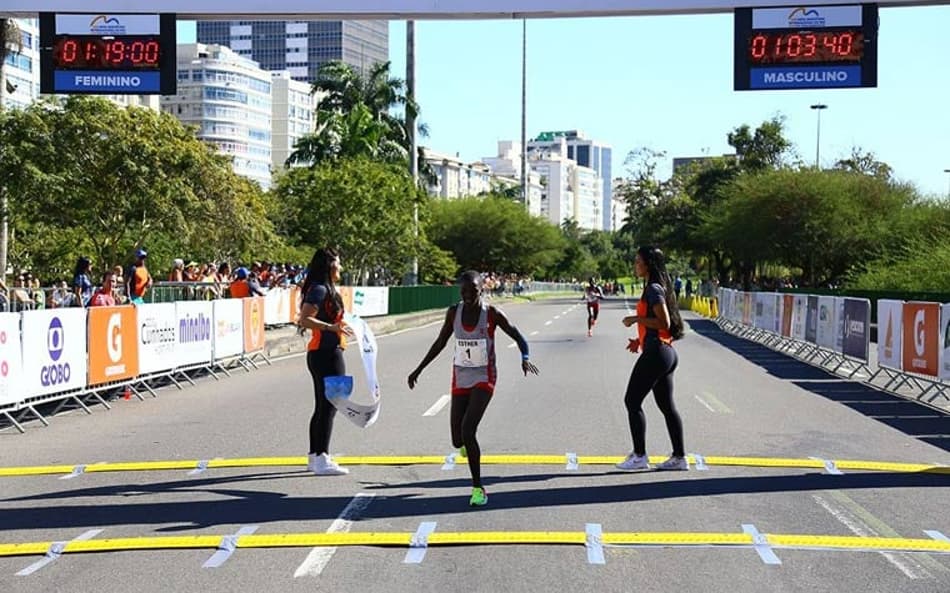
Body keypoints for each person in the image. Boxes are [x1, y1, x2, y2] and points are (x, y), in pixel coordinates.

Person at [407, 271, 539, 507]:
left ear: (482, 290)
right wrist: (419, 369)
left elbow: (518, 336)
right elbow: (440, 342)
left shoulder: (492, 314)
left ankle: (478, 489)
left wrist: (525, 356)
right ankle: (466, 447)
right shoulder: (453, 312)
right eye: (464, 291)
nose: (468, 296)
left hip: (484, 377)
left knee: (469, 430)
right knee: (457, 441)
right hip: (460, 377)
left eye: (473, 291)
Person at [616, 246, 688, 472]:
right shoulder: (656, 287)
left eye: (638, 261)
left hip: (658, 353)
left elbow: (663, 323)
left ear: (648, 264)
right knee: (666, 406)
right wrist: (640, 340)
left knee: (632, 401)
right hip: (664, 351)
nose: (635, 265)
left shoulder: (654, 289)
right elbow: (657, 325)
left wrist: (635, 318)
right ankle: (679, 457)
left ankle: (639, 456)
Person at [296, 248, 354, 476]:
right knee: (330, 406)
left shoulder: (325, 289)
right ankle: (322, 457)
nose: (340, 268)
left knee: (323, 406)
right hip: (325, 353)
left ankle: (315, 456)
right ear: (329, 266)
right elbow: (305, 319)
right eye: (338, 264)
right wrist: (331, 327)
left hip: (326, 351)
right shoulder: (320, 290)